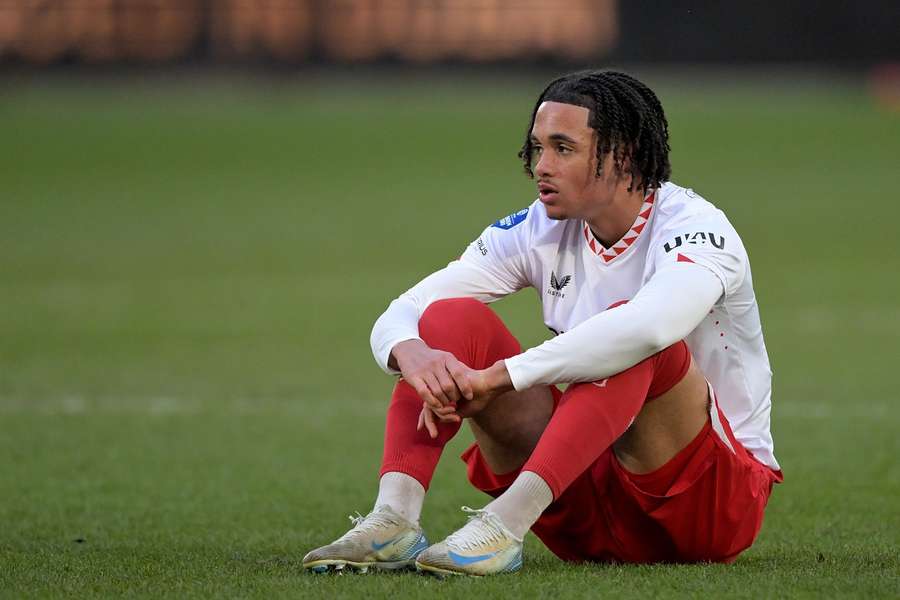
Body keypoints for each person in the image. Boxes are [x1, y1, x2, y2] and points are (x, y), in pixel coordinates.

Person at [303, 69, 782, 577]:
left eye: (563, 148)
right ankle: (393, 518)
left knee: (631, 339)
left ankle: (503, 527)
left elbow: (647, 330)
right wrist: (411, 351)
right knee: (447, 319)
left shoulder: (697, 228)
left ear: (624, 154)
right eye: (537, 148)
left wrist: (498, 377)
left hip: (707, 508)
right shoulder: (539, 226)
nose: (540, 167)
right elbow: (408, 308)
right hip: (586, 501)